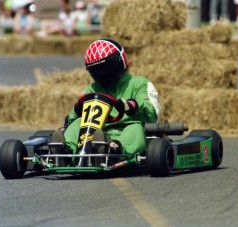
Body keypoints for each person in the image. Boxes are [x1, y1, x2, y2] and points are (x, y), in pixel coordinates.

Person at [50, 38, 161, 166]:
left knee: (135, 129)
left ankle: (113, 150)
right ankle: (66, 151)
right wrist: (75, 112)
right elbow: (68, 122)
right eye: (96, 70)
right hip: (97, 133)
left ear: (118, 62)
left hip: (126, 129)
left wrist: (131, 105)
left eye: (104, 68)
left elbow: (152, 113)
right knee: (78, 123)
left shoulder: (139, 83)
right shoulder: (92, 88)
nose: (101, 74)